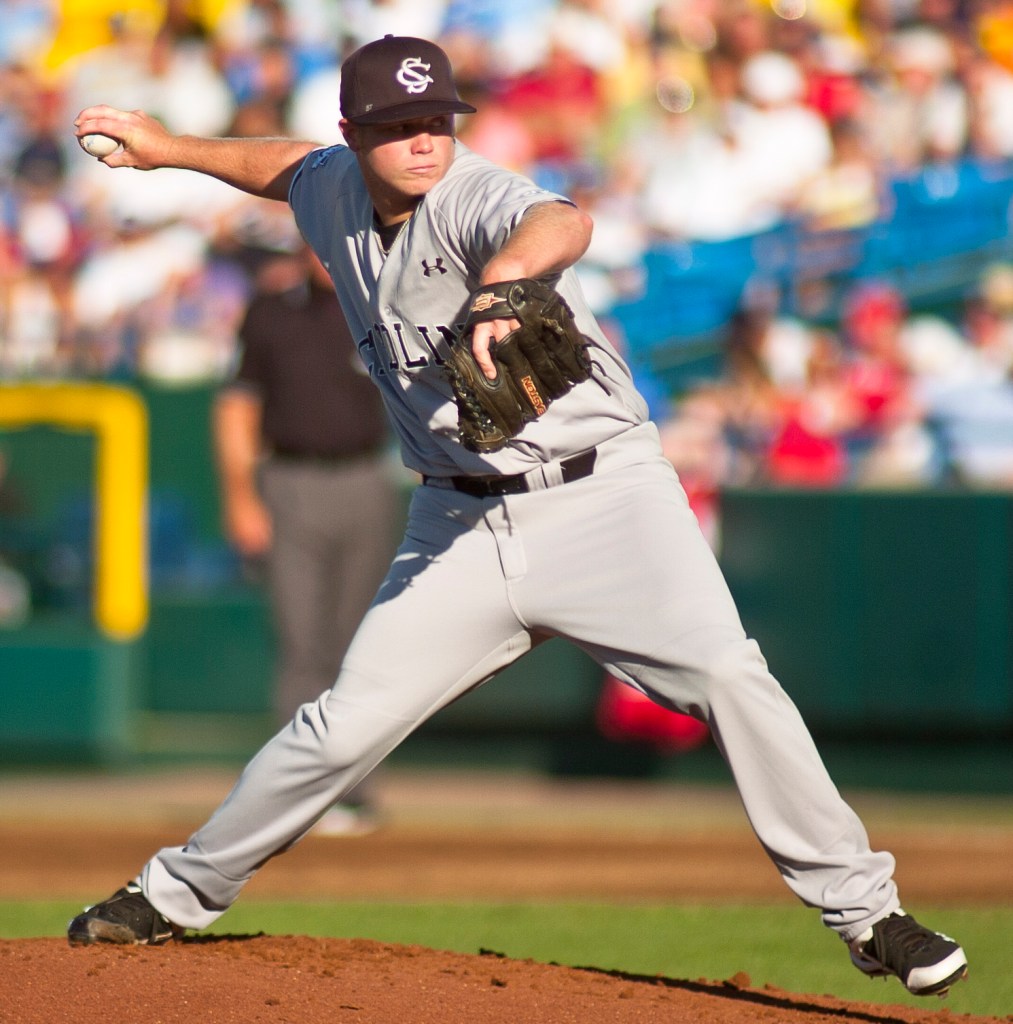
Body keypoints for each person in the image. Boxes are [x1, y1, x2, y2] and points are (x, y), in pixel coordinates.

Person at [68, 34, 968, 999]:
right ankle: (174, 892)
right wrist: (171, 150)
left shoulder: (470, 194)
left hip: (604, 497)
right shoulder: (330, 185)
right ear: (353, 133)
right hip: (455, 522)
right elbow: (282, 167)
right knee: (338, 726)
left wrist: (505, 284)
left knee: (726, 674)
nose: (423, 141)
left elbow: (556, 219)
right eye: (398, 126)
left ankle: (868, 915)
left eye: (435, 122)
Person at [212, 242, 398, 834]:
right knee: (300, 642)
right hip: (290, 482)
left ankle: (355, 792)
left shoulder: (381, 305)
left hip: (366, 479)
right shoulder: (272, 311)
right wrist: (241, 497)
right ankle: (293, 794)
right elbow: (237, 405)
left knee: (361, 642)